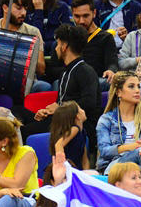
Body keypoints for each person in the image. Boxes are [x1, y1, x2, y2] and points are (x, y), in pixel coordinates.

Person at [26, 24, 100, 166]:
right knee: (21, 117)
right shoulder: (66, 71)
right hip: (61, 122)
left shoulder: (85, 71)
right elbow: (61, 102)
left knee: (26, 131)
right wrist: (47, 112)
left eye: (58, 43)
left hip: (77, 125)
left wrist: (59, 109)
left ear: (65, 46)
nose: (55, 48)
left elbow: (88, 104)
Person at [96, 72, 141, 173]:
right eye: (131, 87)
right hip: (114, 167)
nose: (137, 90)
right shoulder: (106, 120)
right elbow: (104, 151)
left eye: (138, 86)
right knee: (140, 152)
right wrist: (131, 148)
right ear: (119, 92)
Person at [69, 0, 118, 85]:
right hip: (72, 81)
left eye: (85, 16)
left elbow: (112, 63)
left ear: (94, 13)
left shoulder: (106, 38)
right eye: (77, 16)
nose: (81, 21)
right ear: (72, 14)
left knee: (106, 83)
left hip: (96, 80)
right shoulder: (68, 37)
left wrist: (111, 70)